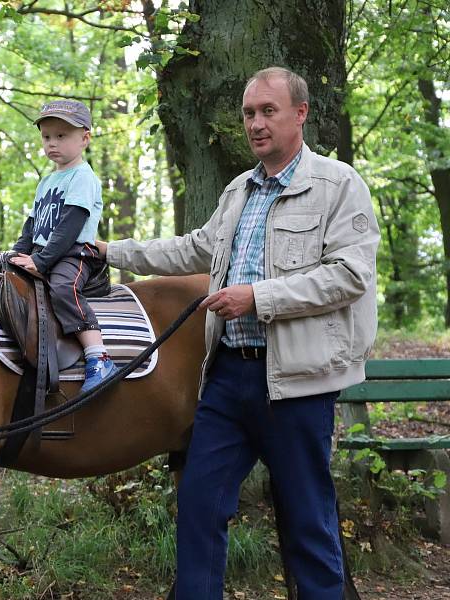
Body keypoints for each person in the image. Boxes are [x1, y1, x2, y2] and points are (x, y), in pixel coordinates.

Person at [97, 67, 379, 599]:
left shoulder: (338, 184)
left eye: (268, 111)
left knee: (307, 524)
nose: (255, 123)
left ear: (300, 114)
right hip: (226, 379)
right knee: (199, 510)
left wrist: (258, 296)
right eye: (249, 113)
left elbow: (350, 275)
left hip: (297, 385)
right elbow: (192, 249)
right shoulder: (239, 191)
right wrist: (111, 251)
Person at [10, 99, 116, 393]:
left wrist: (42, 262)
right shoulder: (47, 181)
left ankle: (99, 356)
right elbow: (32, 226)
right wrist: (16, 254)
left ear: (84, 138)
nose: (52, 143)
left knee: (61, 288)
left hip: (75, 253)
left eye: (61, 136)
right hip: (45, 253)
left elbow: (70, 225)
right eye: (46, 137)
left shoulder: (83, 177)